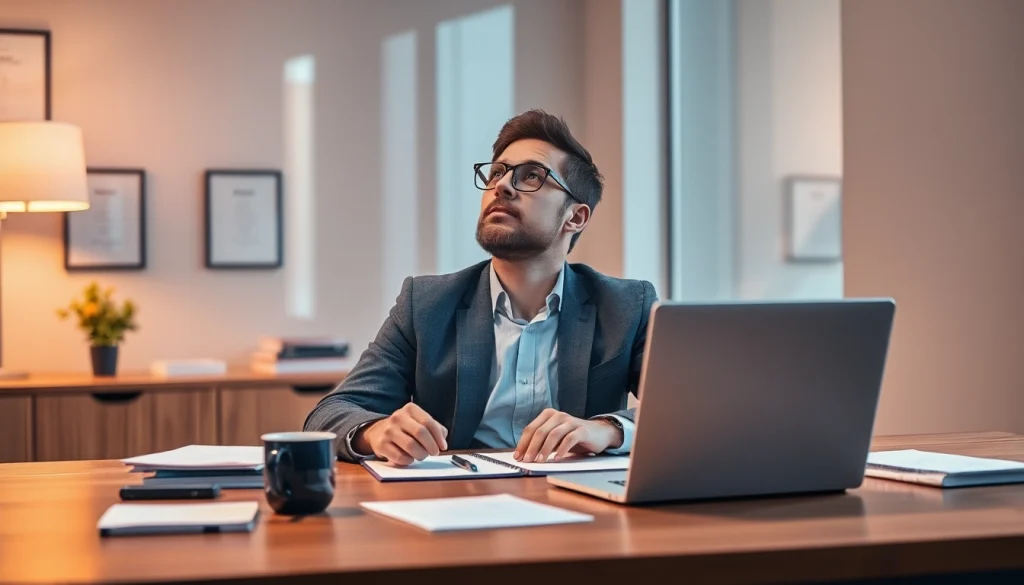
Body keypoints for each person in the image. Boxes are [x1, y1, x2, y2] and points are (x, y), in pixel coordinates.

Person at [304, 109, 657, 466]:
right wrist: (374, 432)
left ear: (575, 217)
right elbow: (331, 412)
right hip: (458, 497)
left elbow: (694, 412)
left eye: (531, 176)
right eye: (498, 173)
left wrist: (608, 429)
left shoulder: (626, 306)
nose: (501, 186)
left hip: (579, 500)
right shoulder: (425, 304)